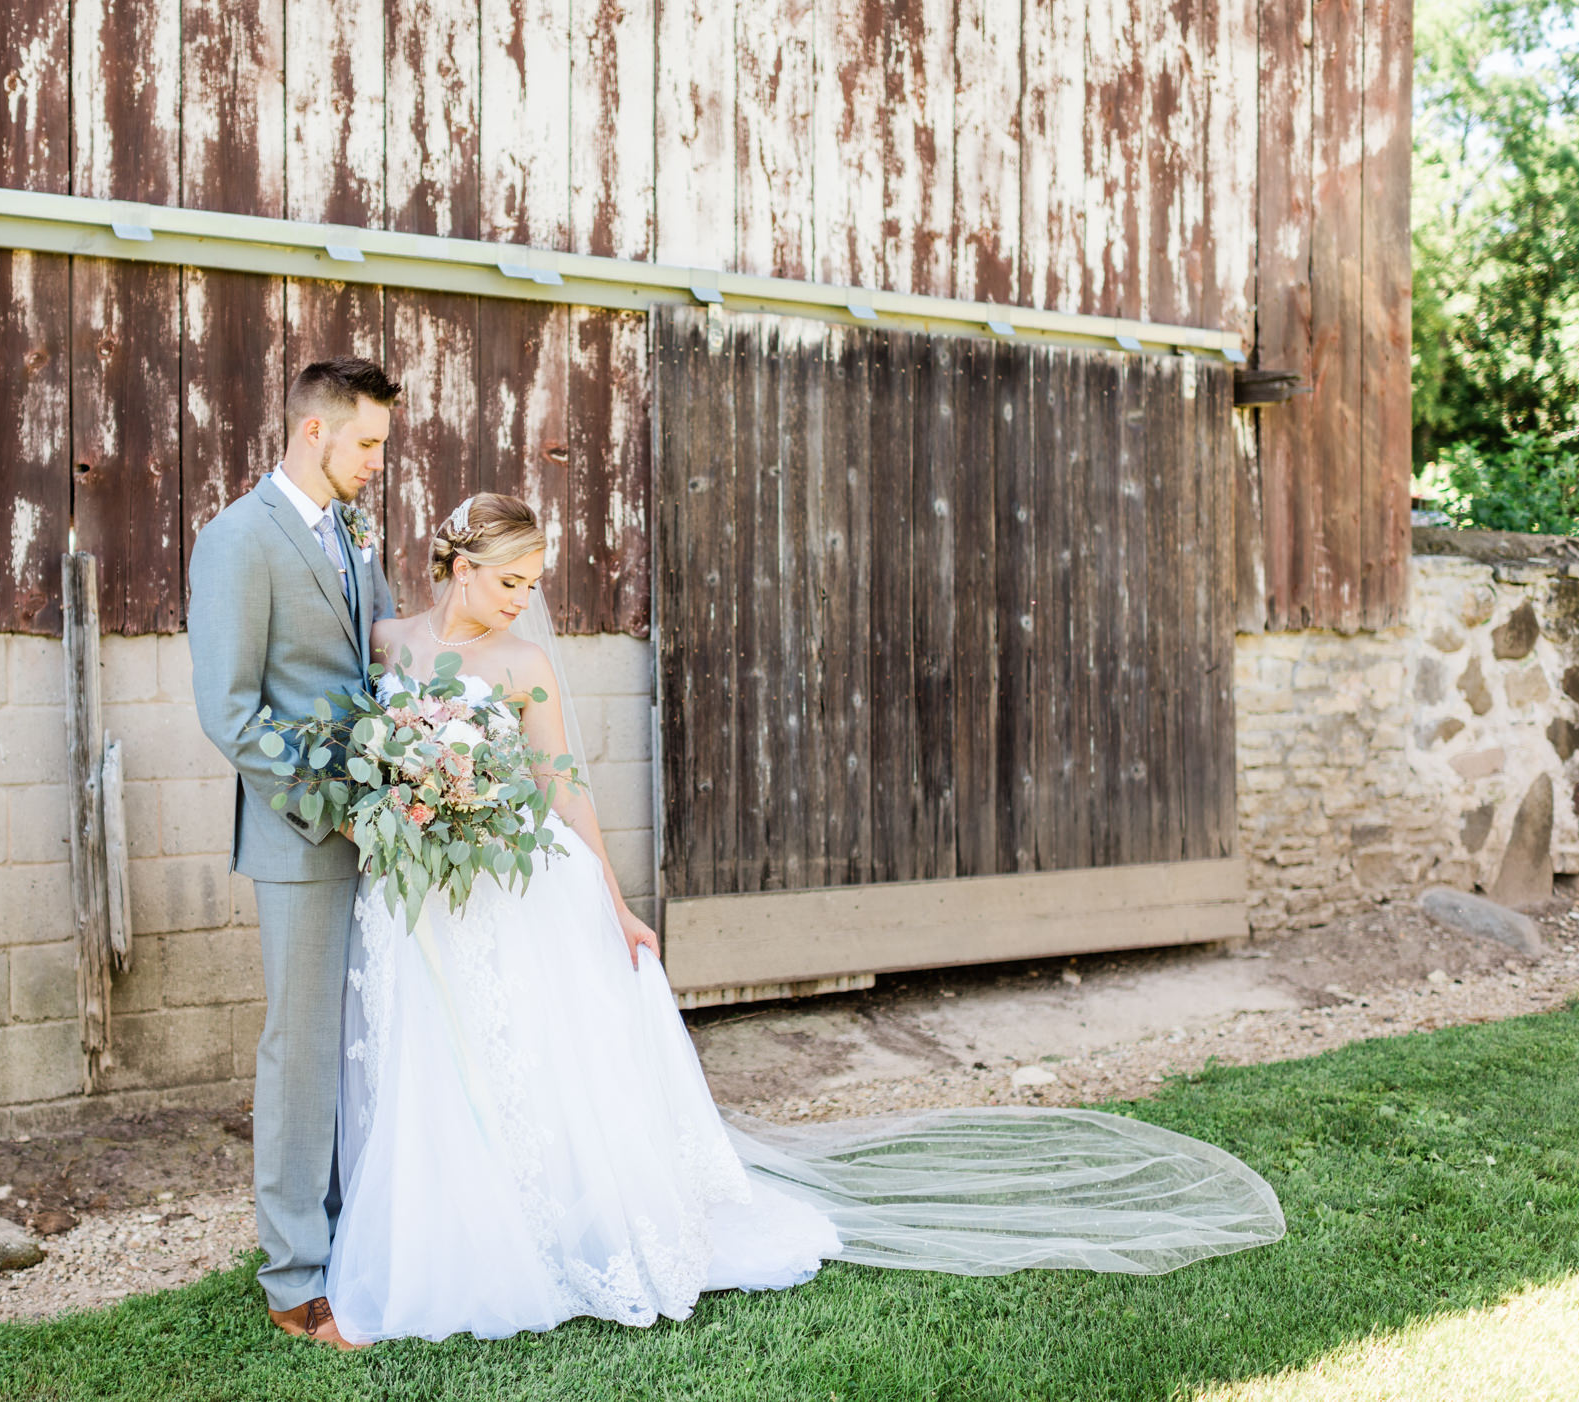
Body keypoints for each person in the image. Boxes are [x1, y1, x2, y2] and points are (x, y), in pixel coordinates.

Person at [319, 493, 1287, 1346]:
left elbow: (565, 789)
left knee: (537, 1063)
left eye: (533, 583)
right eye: (509, 583)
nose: (523, 600)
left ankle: (561, 1228)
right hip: (431, 898)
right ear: (460, 565)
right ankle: (458, 1235)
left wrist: (617, 906)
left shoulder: (525, 663)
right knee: (440, 1066)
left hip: (522, 884)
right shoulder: (392, 644)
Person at [188, 357, 401, 1349]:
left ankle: (348, 1232)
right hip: (306, 833)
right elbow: (230, 711)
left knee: (359, 1044)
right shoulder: (237, 541)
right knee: (302, 1053)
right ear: (315, 432)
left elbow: (376, 666)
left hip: (376, 827)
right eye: (368, 443)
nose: (377, 462)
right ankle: (293, 1279)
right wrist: (340, 807)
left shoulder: (352, 535)